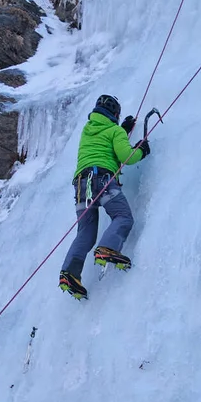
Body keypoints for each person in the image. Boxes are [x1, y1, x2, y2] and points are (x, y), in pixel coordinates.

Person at [59, 93, 151, 300]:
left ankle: (70, 273)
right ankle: (108, 248)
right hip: (102, 180)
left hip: (81, 186)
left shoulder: (87, 130)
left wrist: (124, 131)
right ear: (115, 114)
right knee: (123, 216)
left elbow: (104, 142)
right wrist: (142, 150)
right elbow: (126, 156)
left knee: (86, 233)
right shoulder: (115, 130)